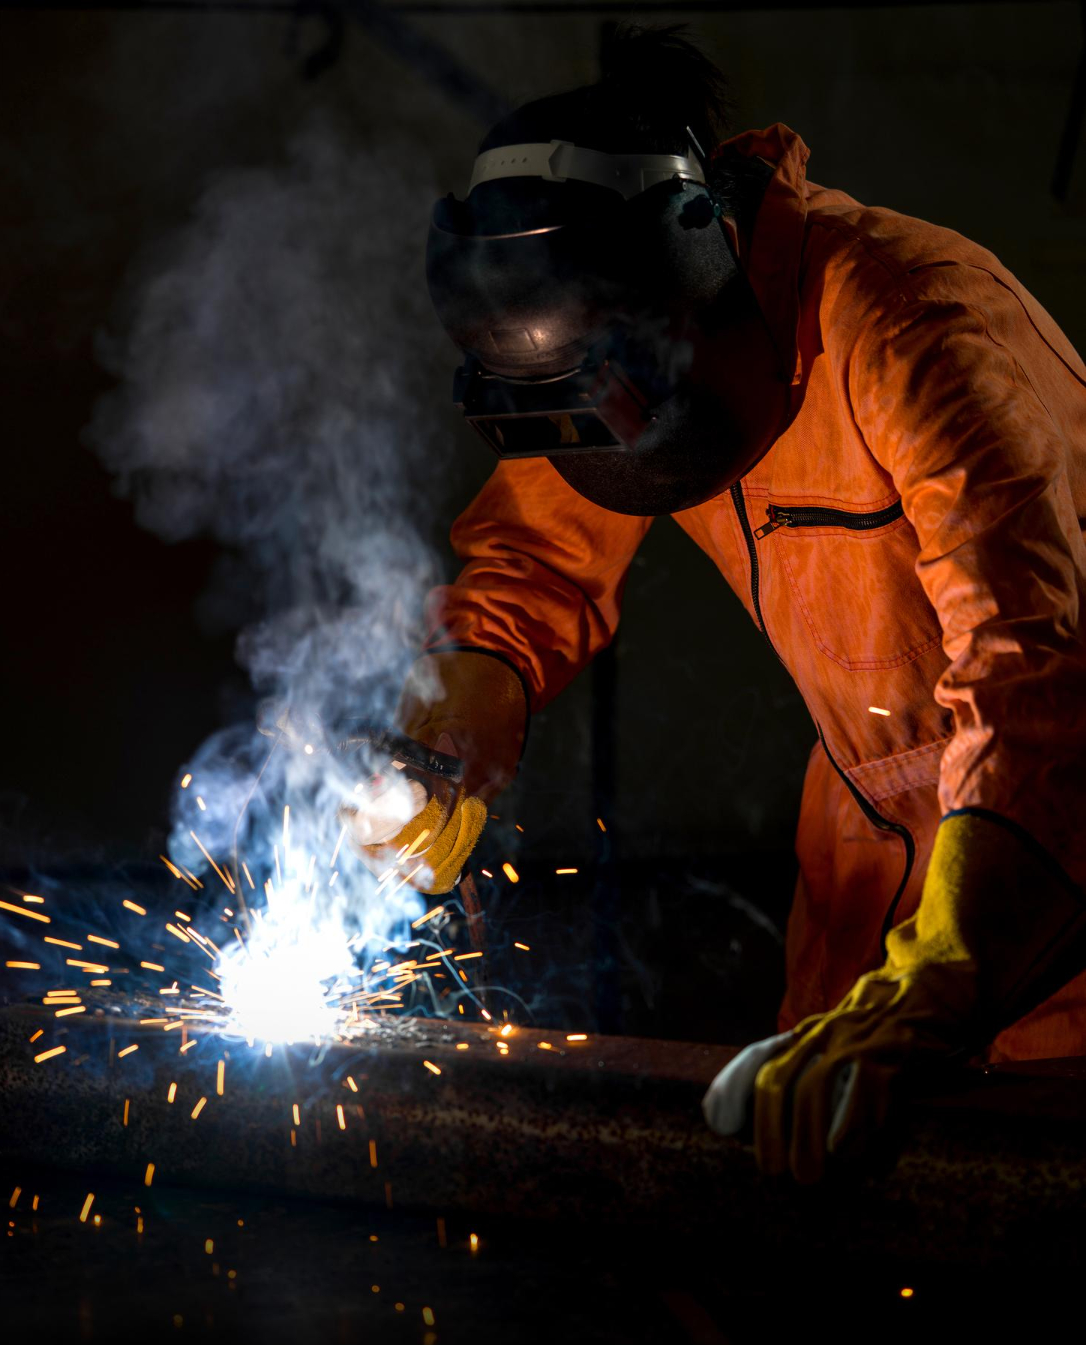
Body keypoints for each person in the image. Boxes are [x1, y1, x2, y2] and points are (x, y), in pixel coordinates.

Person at [347, 25, 1086, 1182]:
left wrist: (943, 982)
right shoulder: (596, 339)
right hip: (864, 928)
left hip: (1052, 925)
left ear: (711, 265)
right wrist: (434, 760)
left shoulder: (917, 328)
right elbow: (527, 574)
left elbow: (1041, 686)